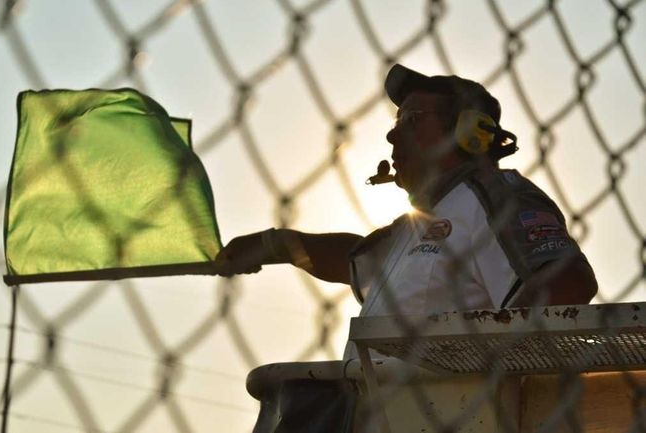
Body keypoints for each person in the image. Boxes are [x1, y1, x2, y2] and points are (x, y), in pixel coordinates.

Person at [215, 64, 597, 333]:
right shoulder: (416, 225)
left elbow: (567, 281)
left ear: (469, 133)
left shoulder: (497, 195)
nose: (392, 136)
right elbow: (356, 258)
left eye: (412, 119)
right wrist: (277, 245)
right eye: (396, 122)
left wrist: (487, 370)